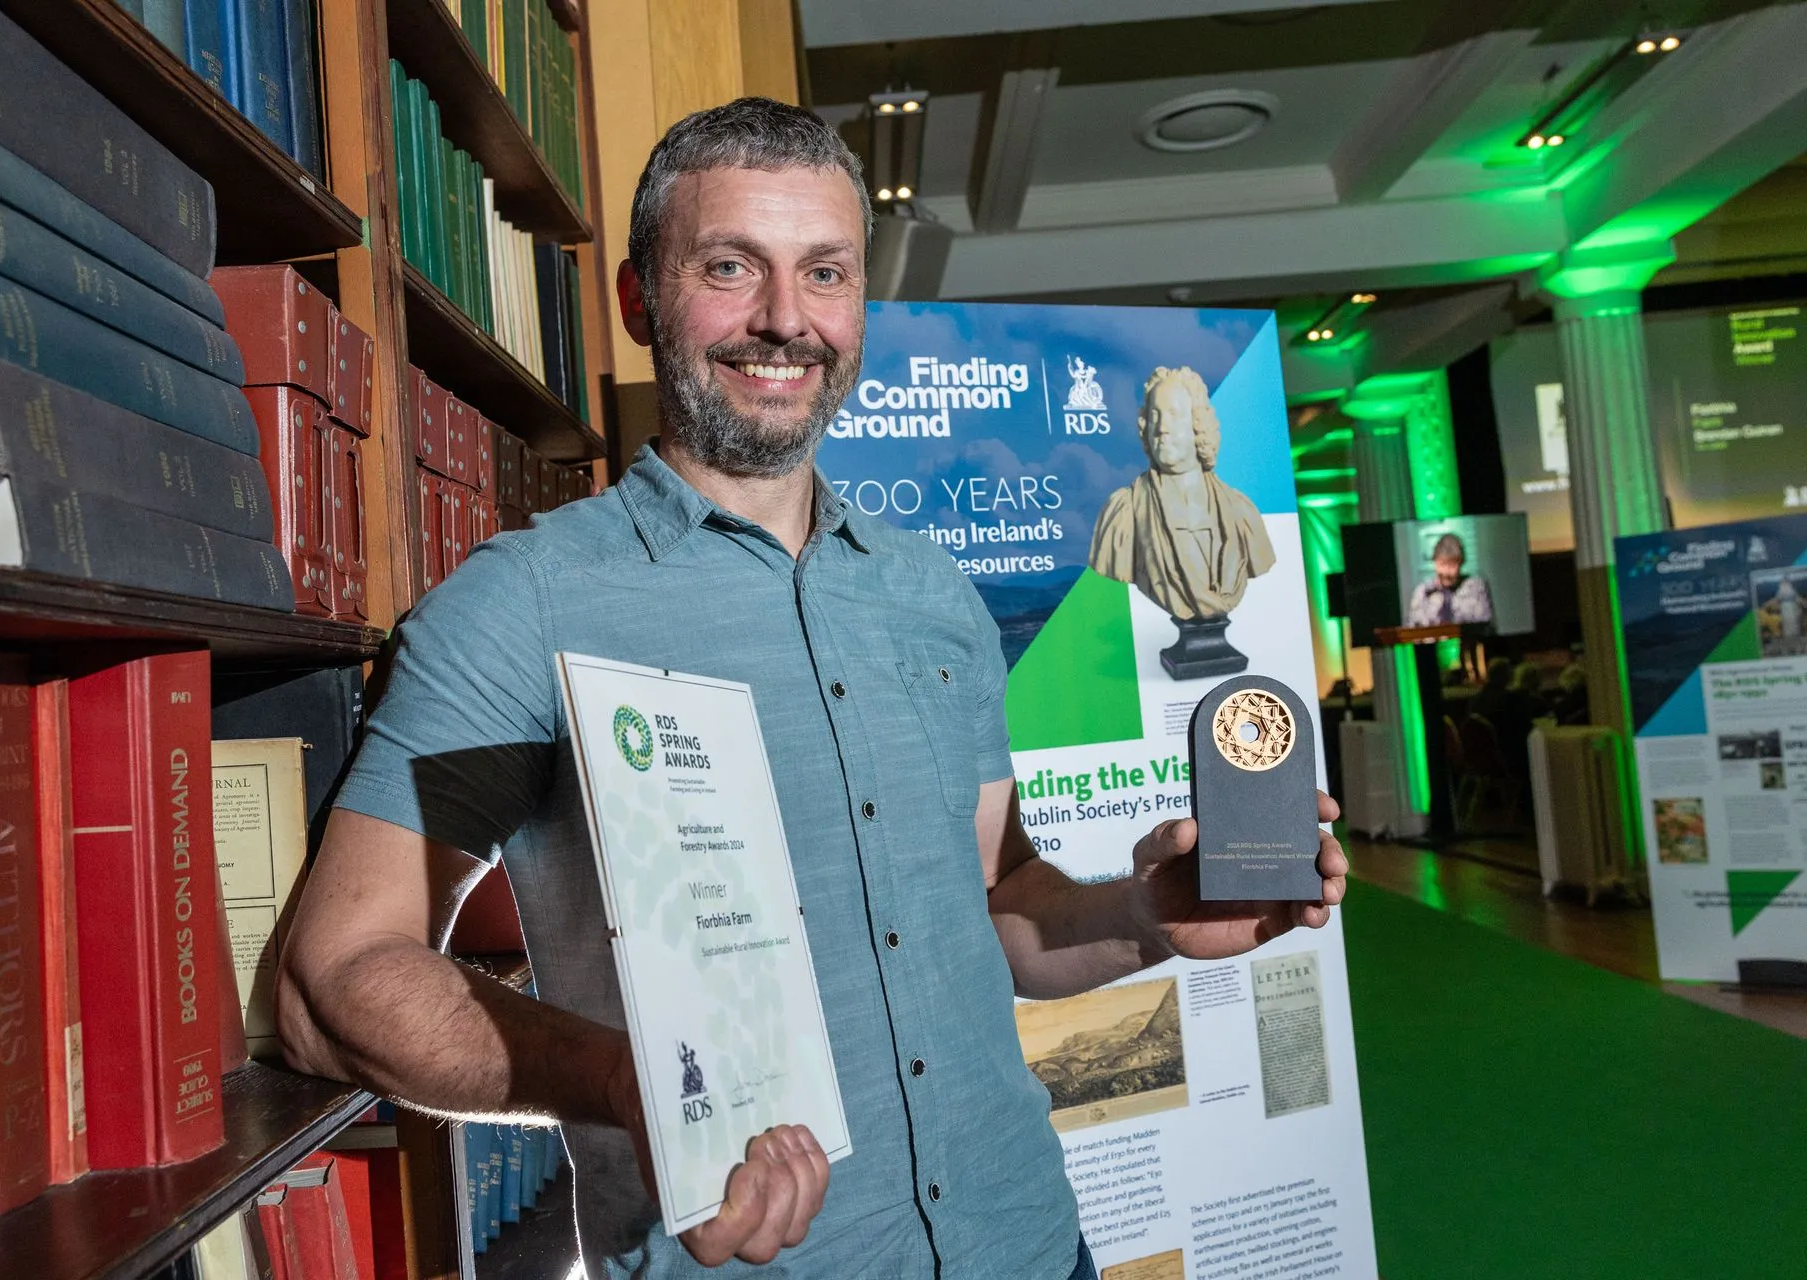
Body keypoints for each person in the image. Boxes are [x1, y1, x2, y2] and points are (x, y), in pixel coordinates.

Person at [272, 98, 1348, 1280]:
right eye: (731, 266)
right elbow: (333, 980)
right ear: (640, 300)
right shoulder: (520, 604)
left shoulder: (936, 594)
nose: (786, 319)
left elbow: (999, 915)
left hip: (1034, 1244)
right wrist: (622, 1078)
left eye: (824, 273)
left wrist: (1153, 911)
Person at [1088, 366, 1275, 622]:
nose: (1162, 428)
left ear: (1198, 425)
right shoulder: (1123, 513)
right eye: (1155, 416)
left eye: (1175, 415)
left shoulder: (1241, 512)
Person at [1405, 532, 1493, 626]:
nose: (1446, 572)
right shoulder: (1422, 591)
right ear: (1434, 562)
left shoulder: (1475, 587)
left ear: (1461, 563)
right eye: (1442, 564)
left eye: (1452, 565)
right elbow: (1412, 627)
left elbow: (1485, 624)